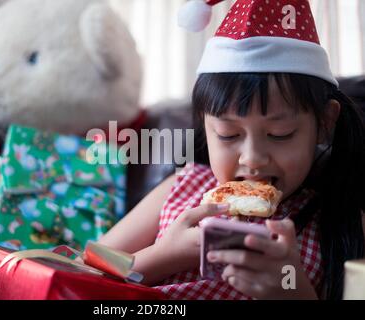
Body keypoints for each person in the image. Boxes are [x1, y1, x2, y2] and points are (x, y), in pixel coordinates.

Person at [98, 0, 365, 300]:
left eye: (280, 134)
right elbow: (86, 269)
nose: (252, 158)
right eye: (229, 134)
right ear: (205, 126)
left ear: (325, 123)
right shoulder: (182, 187)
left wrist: (290, 288)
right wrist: (164, 256)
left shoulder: (341, 223)